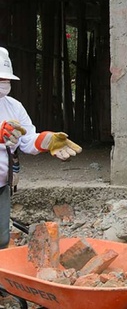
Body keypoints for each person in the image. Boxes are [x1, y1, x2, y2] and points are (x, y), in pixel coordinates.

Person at [0, 47, 82, 249]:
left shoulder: (13, 106)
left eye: (5, 80)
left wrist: (47, 140)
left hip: (1, 185)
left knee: (1, 239)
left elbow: (27, 140)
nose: (3, 84)